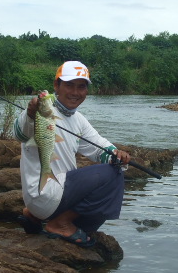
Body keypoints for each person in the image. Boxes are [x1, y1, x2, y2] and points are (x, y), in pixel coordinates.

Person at [13, 61, 131, 247]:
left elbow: (99, 146)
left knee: (116, 166)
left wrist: (116, 154)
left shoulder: (78, 119)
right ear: (56, 85)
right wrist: (29, 113)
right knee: (113, 176)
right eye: (69, 85)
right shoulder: (40, 111)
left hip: (45, 199)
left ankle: (35, 216)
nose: (75, 92)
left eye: (81, 87)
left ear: (86, 91)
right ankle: (60, 223)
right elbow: (20, 132)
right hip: (48, 195)